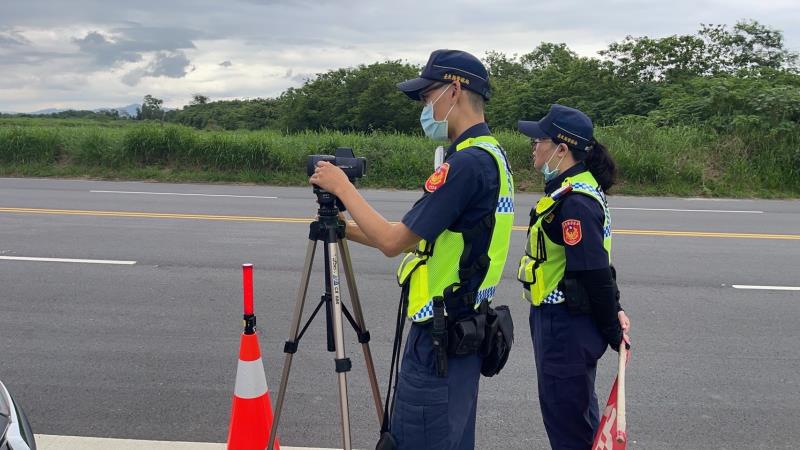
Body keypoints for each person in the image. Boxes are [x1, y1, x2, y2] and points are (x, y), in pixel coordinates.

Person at [309, 49, 515, 450]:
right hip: (465, 332)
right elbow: (417, 238)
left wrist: (342, 187)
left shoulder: (466, 165)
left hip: (439, 342)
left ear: (454, 90)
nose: (425, 108)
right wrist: (344, 229)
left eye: (427, 96)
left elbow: (393, 241)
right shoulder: (493, 155)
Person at [515, 104, 631, 450]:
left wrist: (613, 328)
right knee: (576, 417)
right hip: (563, 323)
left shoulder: (576, 202)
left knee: (569, 428)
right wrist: (616, 309)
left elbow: (594, 272)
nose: (534, 146)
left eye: (540, 140)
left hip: (564, 326)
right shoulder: (573, 189)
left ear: (562, 149)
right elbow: (597, 263)